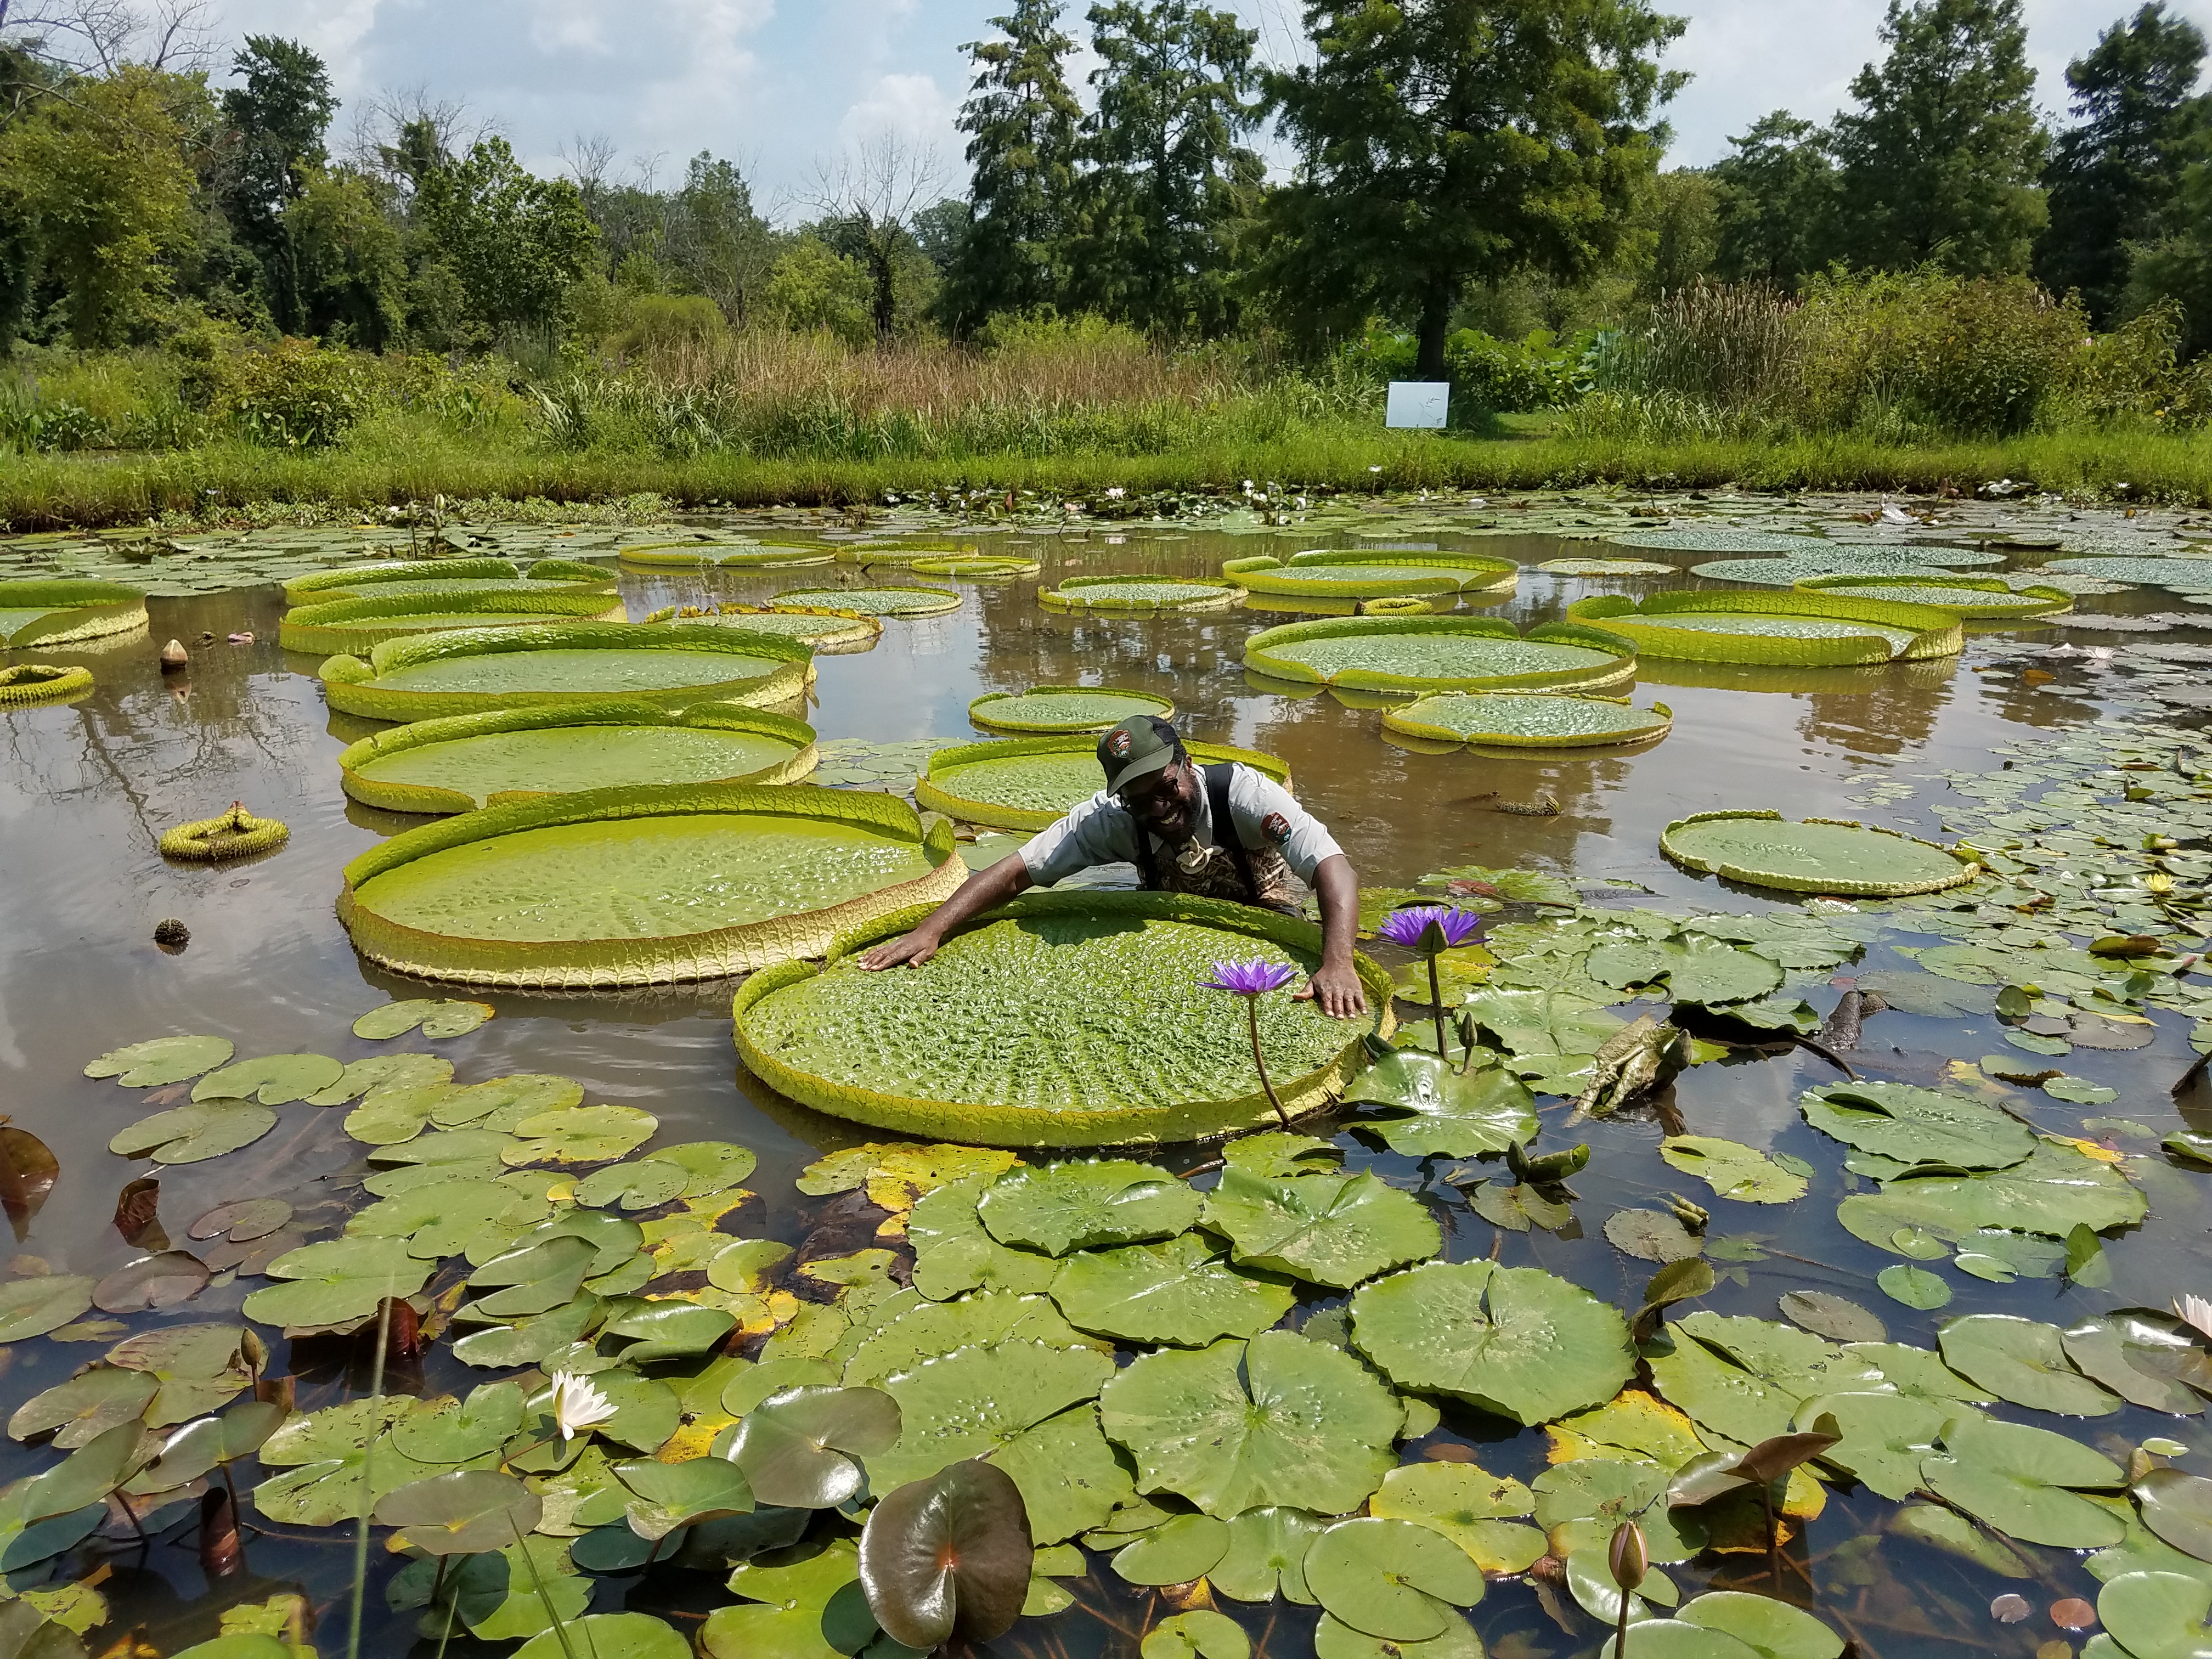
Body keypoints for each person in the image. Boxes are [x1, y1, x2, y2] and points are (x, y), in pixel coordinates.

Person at [860, 714, 1367, 1016]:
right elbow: (1017, 870)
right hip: (1172, 930)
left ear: (1188, 765)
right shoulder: (1109, 820)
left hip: (1264, 917)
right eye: (1140, 799)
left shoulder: (1246, 795)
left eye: (1167, 787)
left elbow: (1331, 866)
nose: (1160, 806)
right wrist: (934, 927)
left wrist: (1338, 962)